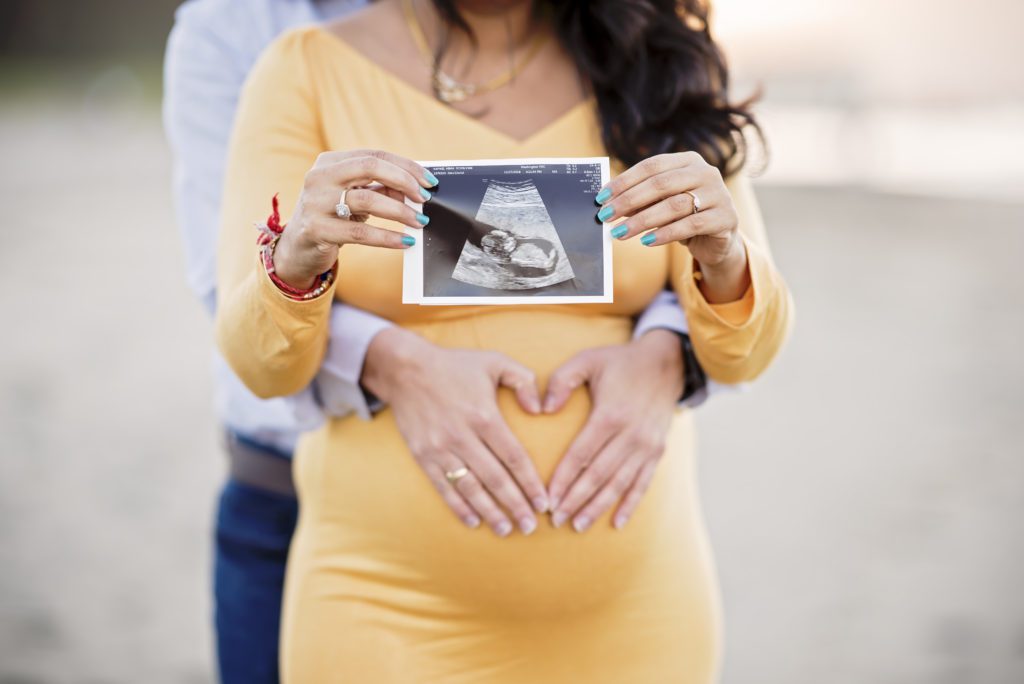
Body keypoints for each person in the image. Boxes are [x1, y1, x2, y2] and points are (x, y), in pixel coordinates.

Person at [165, 0, 729, 681]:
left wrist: (673, 346)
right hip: (384, 608)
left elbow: (746, 340)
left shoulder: (658, 59)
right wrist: (302, 265)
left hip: (642, 614)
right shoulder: (293, 61)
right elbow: (257, 356)